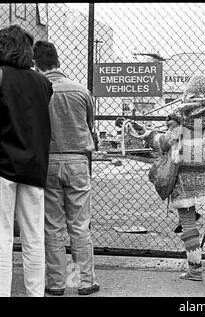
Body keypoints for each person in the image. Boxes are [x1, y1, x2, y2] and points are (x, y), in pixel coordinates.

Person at [122, 74, 205, 281]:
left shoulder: (180, 120)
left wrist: (147, 134)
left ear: (186, 96)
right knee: (200, 209)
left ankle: (194, 269)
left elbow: (163, 143)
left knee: (188, 223)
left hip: (183, 180)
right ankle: (201, 247)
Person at [33, 40, 100, 296]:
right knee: (80, 225)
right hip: (77, 160)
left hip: (48, 161)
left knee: (53, 226)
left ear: (36, 64)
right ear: (58, 61)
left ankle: (56, 283)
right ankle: (85, 282)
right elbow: (89, 126)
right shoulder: (81, 91)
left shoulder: (38, 90)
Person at [0, 25, 53, 297]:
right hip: (35, 167)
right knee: (34, 236)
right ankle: (35, 293)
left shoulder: (0, 76)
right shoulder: (44, 82)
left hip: (3, 166)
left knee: (3, 235)